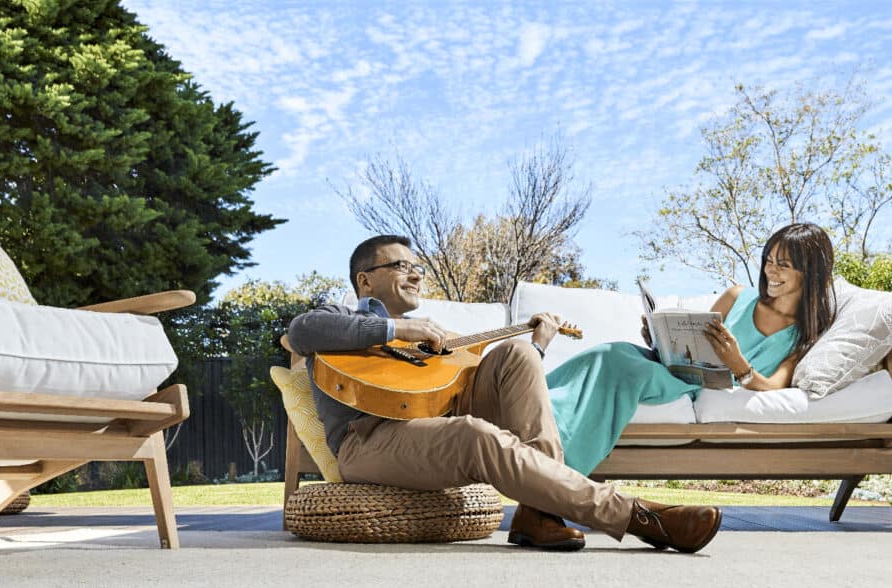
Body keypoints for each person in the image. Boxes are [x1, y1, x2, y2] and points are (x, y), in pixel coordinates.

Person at [286, 234, 722, 553]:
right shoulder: (337, 316)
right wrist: (398, 328)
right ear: (365, 280)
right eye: (401, 266)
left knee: (516, 353)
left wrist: (535, 347)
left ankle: (538, 513)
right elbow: (300, 331)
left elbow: (489, 384)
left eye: (417, 266)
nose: (416, 273)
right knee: (473, 435)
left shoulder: (436, 341)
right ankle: (640, 517)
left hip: (430, 421)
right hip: (368, 441)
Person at [546, 223, 838, 476]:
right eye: (769, 260)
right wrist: (659, 339)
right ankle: (535, 397)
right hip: (671, 368)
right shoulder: (738, 296)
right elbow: (692, 344)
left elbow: (774, 386)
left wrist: (739, 364)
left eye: (783, 265)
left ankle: (560, 468)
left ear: (809, 273)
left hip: (693, 385)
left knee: (620, 366)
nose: (771, 270)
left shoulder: (803, 336)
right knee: (610, 352)